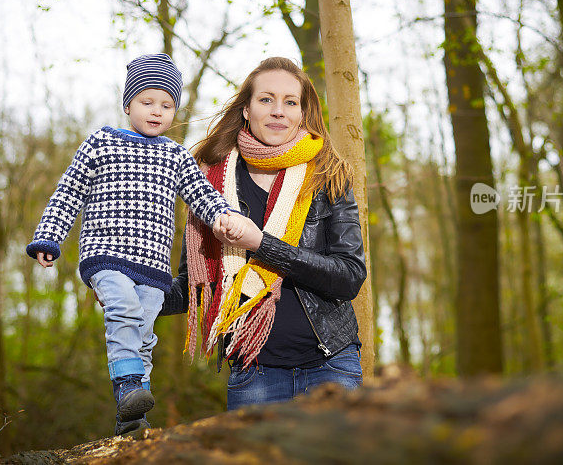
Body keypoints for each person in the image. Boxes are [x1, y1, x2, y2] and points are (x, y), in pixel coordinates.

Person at [25, 53, 246, 435]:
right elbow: (68, 191)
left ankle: (133, 418)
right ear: (128, 103)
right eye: (147, 102)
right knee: (124, 311)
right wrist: (49, 236)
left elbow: (200, 193)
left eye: (167, 104)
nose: (157, 111)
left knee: (144, 332)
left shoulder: (175, 154)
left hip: (154, 266)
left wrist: (223, 215)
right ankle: (127, 385)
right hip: (105, 254)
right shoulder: (101, 143)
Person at [161, 56, 367, 410]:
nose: (278, 111)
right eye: (266, 99)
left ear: (302, 113)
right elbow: (195, 283)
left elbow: (349, 276)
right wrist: (136, 294)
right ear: (246, 109)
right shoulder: (206, 181)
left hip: (330, 365)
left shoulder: (328, 174)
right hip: (254, 372)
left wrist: (260, 244)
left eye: (290, 102)